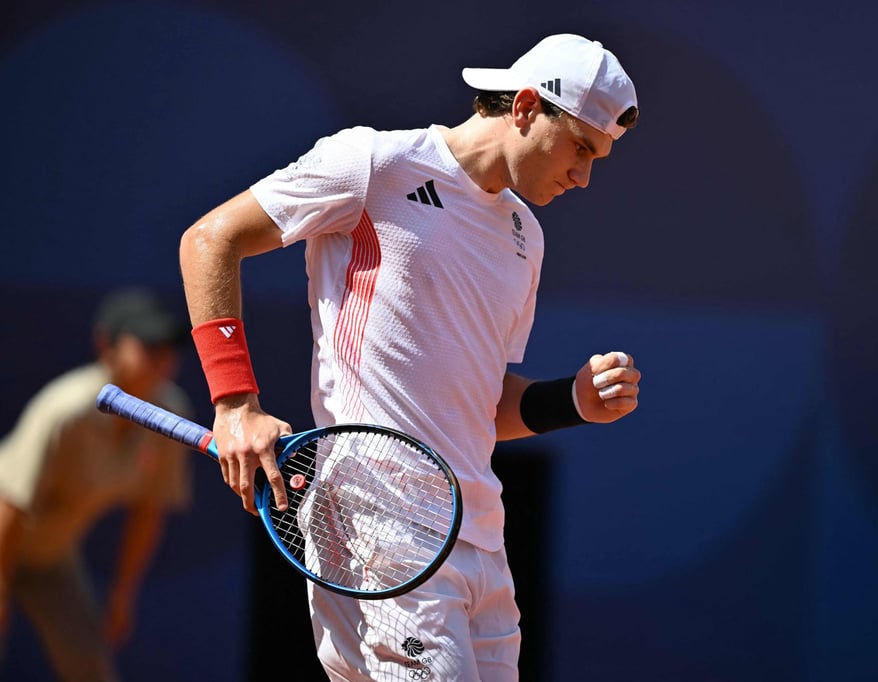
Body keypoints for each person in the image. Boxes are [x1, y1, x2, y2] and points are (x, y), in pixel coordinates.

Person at [178, 33, 642, 681]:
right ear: (527, 108)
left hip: (480, 539)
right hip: (380, 521)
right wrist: (234, 404)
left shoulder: (524, 237)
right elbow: (210, 240)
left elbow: (483, 407)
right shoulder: (374, 165)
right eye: (581, 148)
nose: (585, 175)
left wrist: (572, 401)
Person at [0, 287, 193, 682]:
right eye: (148, 344)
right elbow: (9, 505)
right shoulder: (65, 409)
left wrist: (123, 593)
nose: (161, 358)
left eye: (168, 347)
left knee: (90, 667)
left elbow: (147, 509)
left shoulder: (172, 415)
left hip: (48, 556)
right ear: (106, 344)